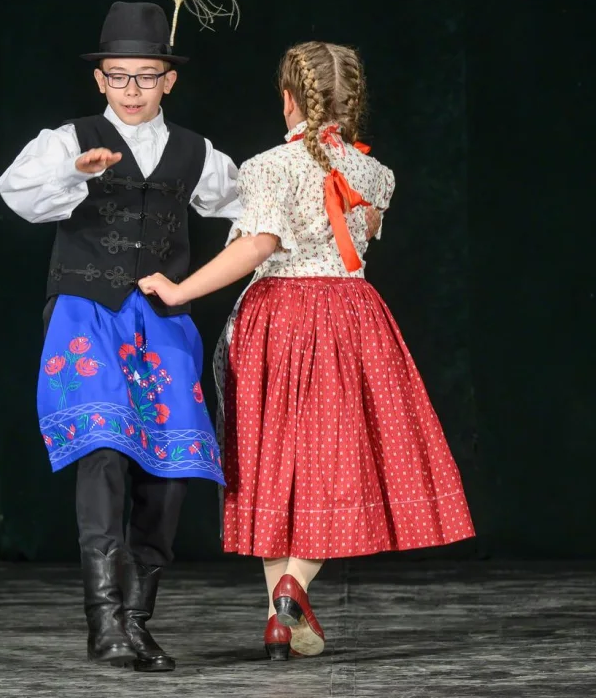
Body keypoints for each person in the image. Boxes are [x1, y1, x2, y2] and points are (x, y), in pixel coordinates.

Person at [138, 41, 475, 660]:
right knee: (331, 463)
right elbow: (356, 234)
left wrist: (180, 290)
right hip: (351, 318)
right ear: (353, 103)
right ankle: (283, 613)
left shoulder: (269, 166)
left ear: (289, 99)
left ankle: (286, 594)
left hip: (281, 320)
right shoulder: (375, 174)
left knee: (276, 465)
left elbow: (257, 245)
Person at [0, 0, 242, 673]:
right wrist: (75, 173)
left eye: (146, 76)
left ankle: (137, 620)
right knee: (103, 451)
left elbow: (253, 209)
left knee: (170, 468)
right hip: (87, 313)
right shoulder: (69, 141)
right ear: (100, 79)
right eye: (119, 76)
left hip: (161, 320)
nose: (132, 89)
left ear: (169, 80)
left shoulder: (196, 152)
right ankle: (103, 621)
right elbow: (18, 193)